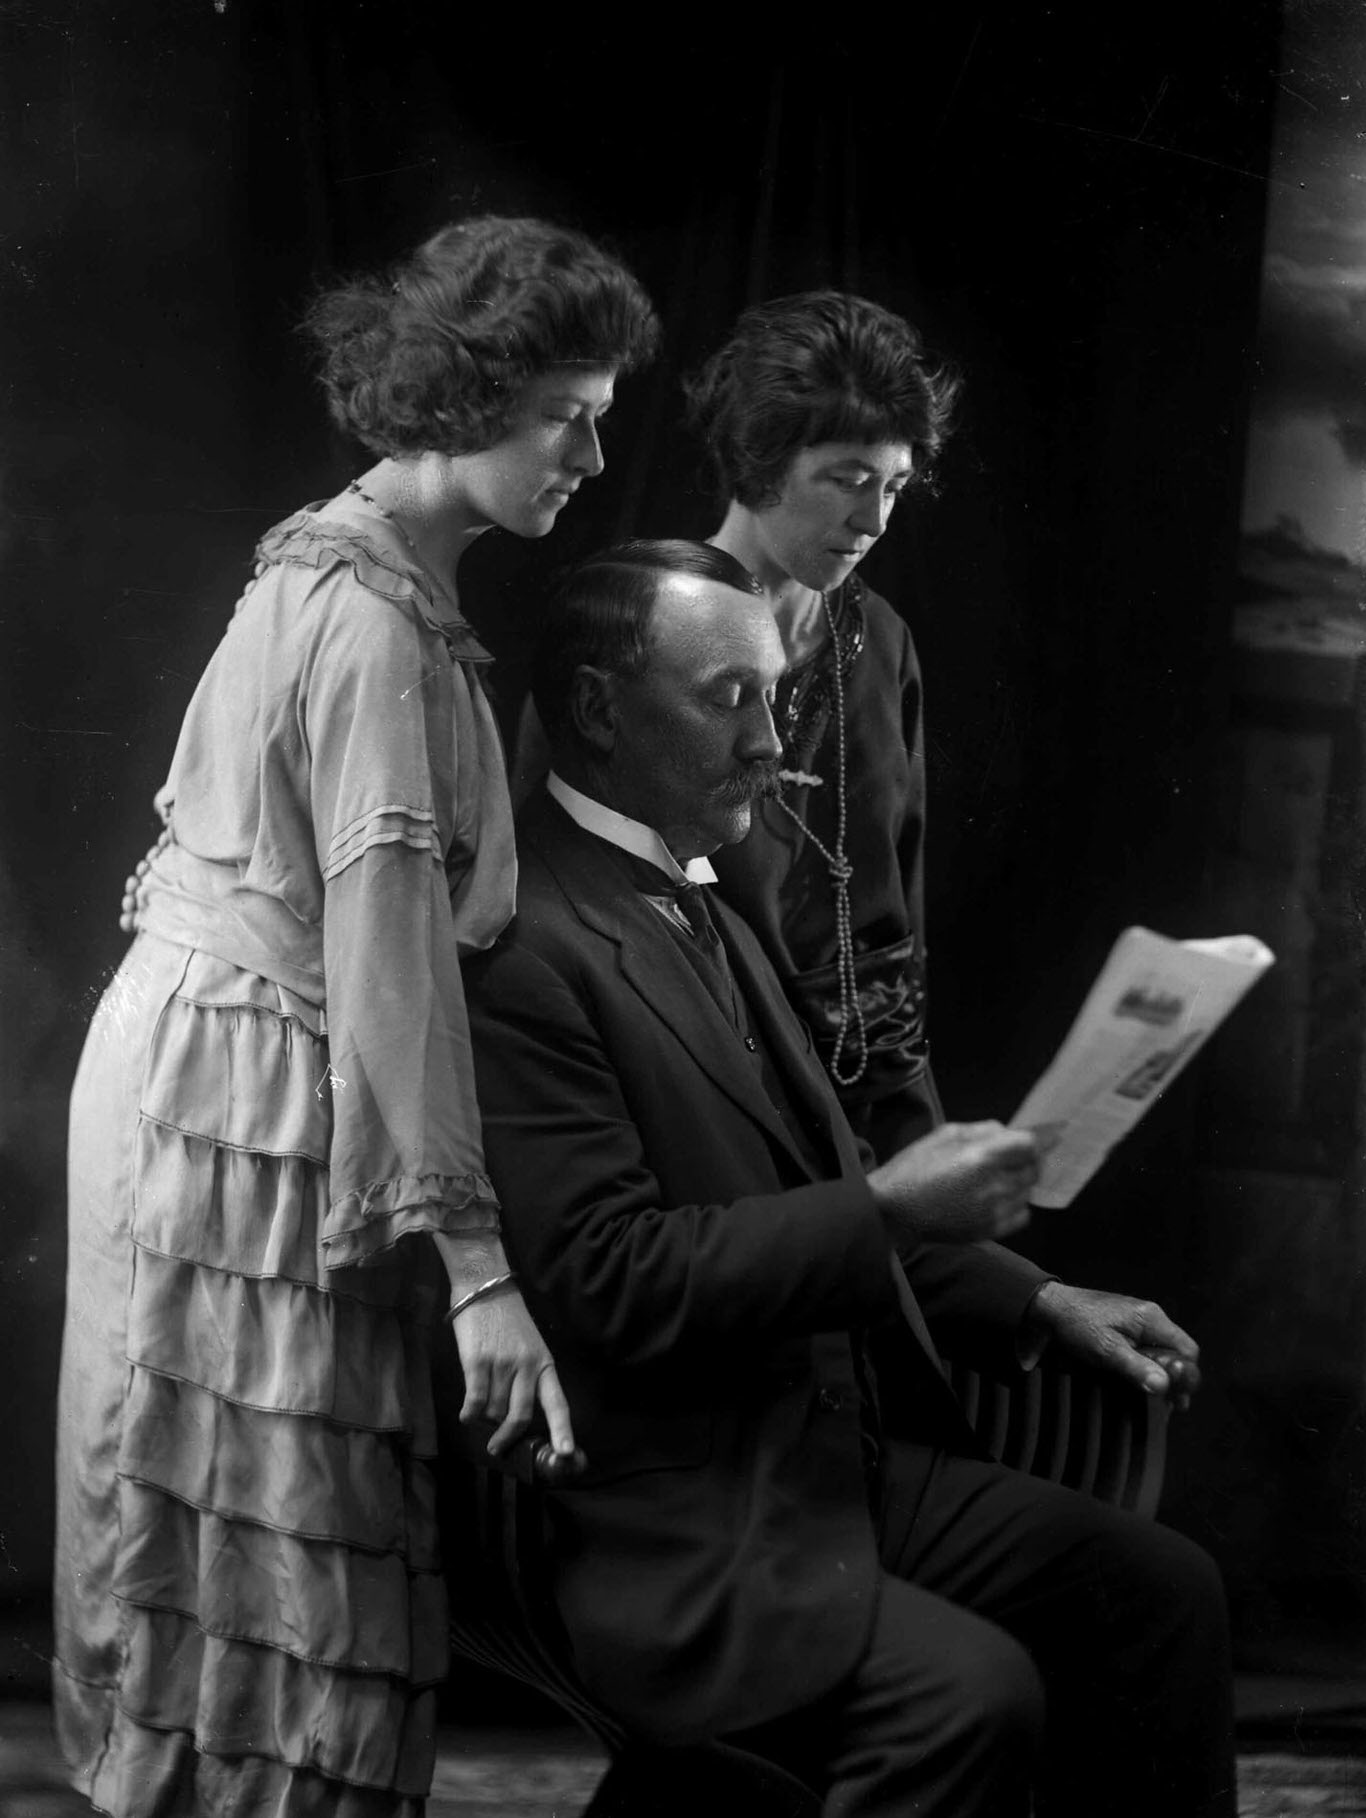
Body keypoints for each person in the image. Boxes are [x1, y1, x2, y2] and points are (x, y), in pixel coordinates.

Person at [461, 539, 1235, 1818]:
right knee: (968, 1698)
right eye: (730, 698)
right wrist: (885, 1208)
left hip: (834, 1465)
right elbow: (606, 1280)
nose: (772, 742)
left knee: (1160, 1596)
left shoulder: (697, 892)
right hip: (678, 1519)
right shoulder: (527, 945)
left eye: (774, 694)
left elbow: (815, 1177)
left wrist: (1037, 1302)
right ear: (599, 707)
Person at [52, 216, 658, 1818]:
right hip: (238, 1093)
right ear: (464, 403)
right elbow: (387, 961)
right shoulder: (372, 621)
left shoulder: (374, 572)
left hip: (235, 1056)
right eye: (566, 415)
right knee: (268, 1572)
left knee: (274, 1565)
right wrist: (478, 1273)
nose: (595, 452)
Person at [685, 291, 959, 1162]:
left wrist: (919, 1146)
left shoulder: (882, 644)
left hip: (864, 1118)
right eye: (847, 480)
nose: (874, 521)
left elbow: (894, 915)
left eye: (895, 487)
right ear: (762, 461)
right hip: (703, 1121)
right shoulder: (638, 632)